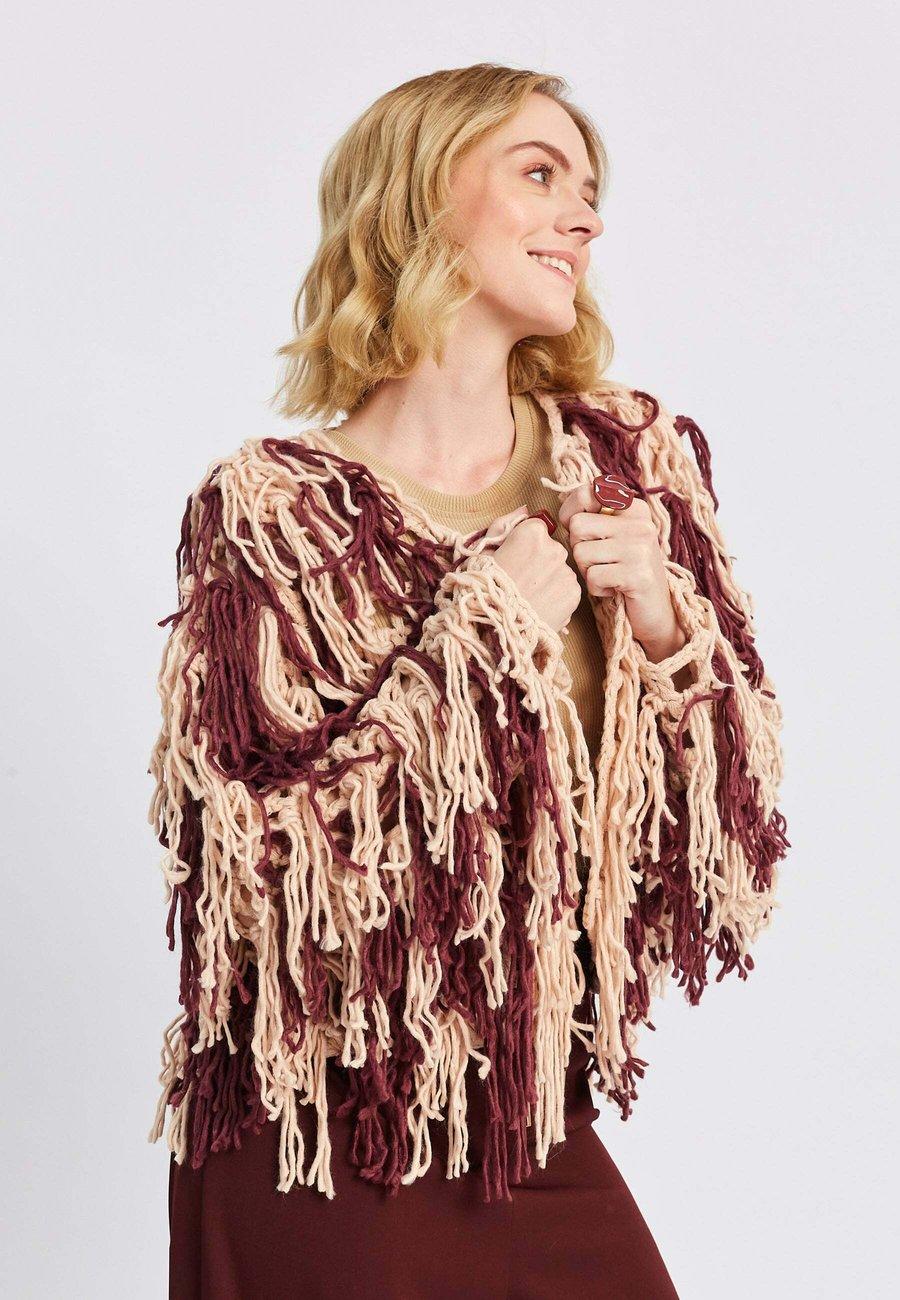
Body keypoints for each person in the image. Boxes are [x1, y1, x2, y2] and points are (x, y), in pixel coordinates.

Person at [150, 62, 788, 1299]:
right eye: (540, 175)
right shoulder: (276, 513)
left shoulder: (627, 461)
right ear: (418, 198)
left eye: (590, 191)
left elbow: (731, 841)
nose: (584, 218)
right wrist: (483, 637)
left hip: (526, 1108)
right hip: (324, 1119)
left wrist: (665, 627)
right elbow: (260, 876)